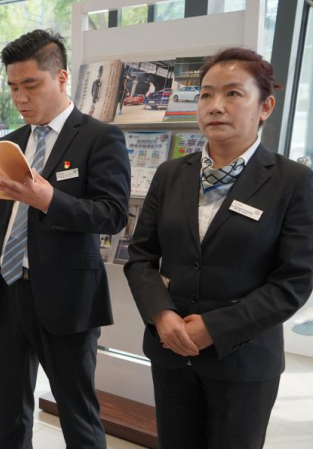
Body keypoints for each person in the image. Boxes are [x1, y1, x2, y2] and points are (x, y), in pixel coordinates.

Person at [124, 48, 313, 449]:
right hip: (171, 353)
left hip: (244, 361)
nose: (215, 106)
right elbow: (140, 256)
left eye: (233, 94)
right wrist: (161, 315)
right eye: (206, 94)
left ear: (265, 107)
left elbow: (294, 281)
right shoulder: (171, 174)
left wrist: (216, 328)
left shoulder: (293, 181)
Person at [0, 29, 130, 449]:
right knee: (9, 406)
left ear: (61, 78)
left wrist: (49, 199)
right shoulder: (9, 143)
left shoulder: (99, 137)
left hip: (67, 297)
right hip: (8, 290)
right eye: (13, 87)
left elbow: (112, 215)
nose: (20, 98)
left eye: (30, 85)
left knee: (77, 409)